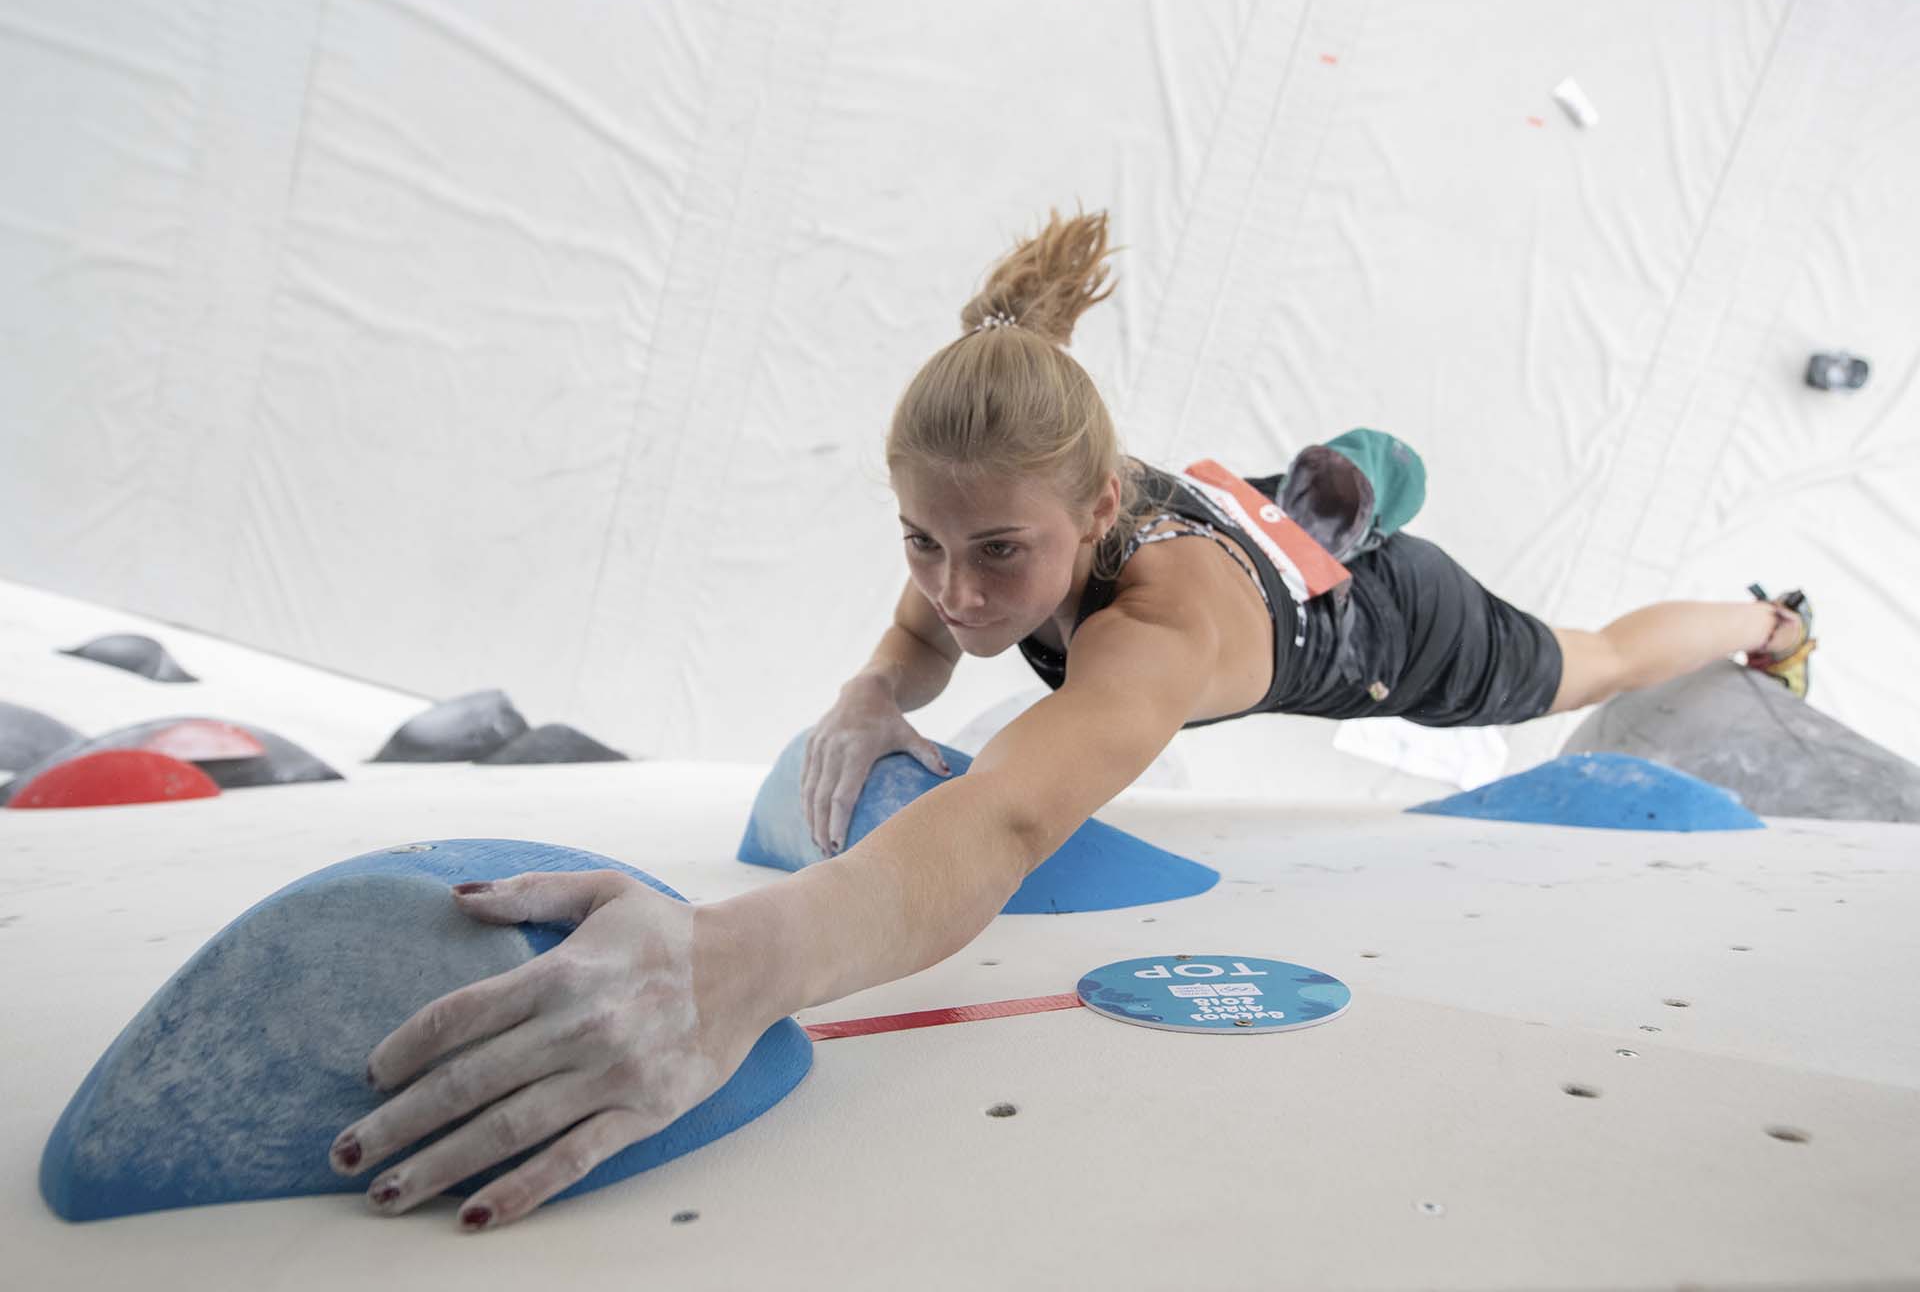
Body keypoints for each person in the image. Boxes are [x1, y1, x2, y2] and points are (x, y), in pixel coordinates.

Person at [326, 207, 1816, 1231]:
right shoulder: (993, 525)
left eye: (997, 557)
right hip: (1237, 520)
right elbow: (924, 641)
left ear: (1097, 509)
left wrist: (738, 963)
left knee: (1599, 657)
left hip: (1386, 627)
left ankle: (1769, 617)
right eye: (920, 540)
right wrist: (866, 697)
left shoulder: (1157, 636)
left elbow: (1010, 816)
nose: (957, 596)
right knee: (973, 596)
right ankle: (1342, 484)